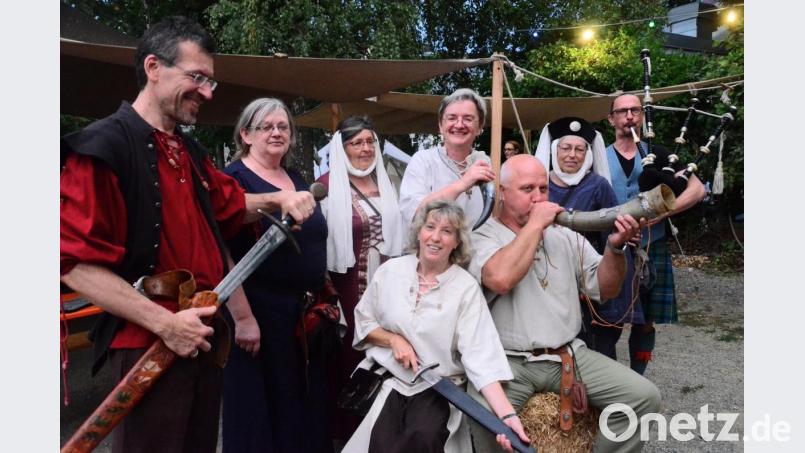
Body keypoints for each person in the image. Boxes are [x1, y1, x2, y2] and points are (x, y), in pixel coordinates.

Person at [60, 17, 315, 453]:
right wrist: (165, 324)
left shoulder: (189, 153)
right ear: (154, 67)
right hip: (150, 341)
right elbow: (72, 265)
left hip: (200, 335)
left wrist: (277, 201)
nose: (208, 92)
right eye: (196, 77)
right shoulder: (102, 147)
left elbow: (231, 205)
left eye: (211, 81)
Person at [468, 155, 661, 453]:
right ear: (503, 192)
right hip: (506, 363)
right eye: (527, 189)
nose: (538, 197)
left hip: (568, 356)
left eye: (543, 189)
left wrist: (615, 246)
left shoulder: (564, 237)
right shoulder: (481, 237)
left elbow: (606, 289)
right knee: (480, 416)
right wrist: (535, 226)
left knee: (644, 396)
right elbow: (500, 279)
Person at [343, 200, 530, 453]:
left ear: (457, 242)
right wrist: (394, 340)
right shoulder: (390, 272)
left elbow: (481, 358)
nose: (436, 237)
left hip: (437, 387)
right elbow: (365, 321)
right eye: (430, 227)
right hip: (391, 380)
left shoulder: (465, 288)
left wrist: (508, 418)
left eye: (447, 231)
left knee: (423, 436)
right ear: (419, 232)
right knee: (381, 441)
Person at [222, 97, 332, 453]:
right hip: (258, 313)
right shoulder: (233, 179)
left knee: (299, 409)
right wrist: (242, 317)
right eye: (266, 126)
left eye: (283, 126)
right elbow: (222, 253)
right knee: (261, 413)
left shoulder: (296, 178)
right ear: (245, 135)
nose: (276, 132)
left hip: (300, 315)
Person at [315, 115, 405, 443]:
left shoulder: (389, 182)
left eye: (370, 142)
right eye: (357, 142)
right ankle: (347, 437)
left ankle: (383, 435)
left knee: (390, 357)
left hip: (391, 288)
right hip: (349, 289)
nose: (365, 148)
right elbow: (317, 244)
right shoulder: (326, 185)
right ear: (342, 148)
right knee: (352, 358)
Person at [605, 94, 706, 374]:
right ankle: (610, 383)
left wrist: (663, 213)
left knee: (645, 321)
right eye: (622, 111)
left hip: (652, 245)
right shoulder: (597, 156)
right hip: (611, 248)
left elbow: (698, 189)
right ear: (611, 118)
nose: (629, 116)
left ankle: (637, 378)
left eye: (634, 110)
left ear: (642, 115)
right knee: (607, 319)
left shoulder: (661, 155)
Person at [534, 116, 644, 356]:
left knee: (596, 347)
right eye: (566, 148)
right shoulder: (539, 186)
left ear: (588, 153)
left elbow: (612, 236)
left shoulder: (598, 185)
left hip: (588, 275)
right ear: (555, 150)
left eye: (579, 149)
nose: (572, 155)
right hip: (546, 273)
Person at [399, 88, 495, 230]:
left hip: (479, 250)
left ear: (480, 126)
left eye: (468, 118)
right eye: (452, 118)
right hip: (433, 250)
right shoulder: (423, 161)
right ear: (440, 125)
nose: (459, 124)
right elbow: (415, 216)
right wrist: (463, 183)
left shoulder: (484, 162)